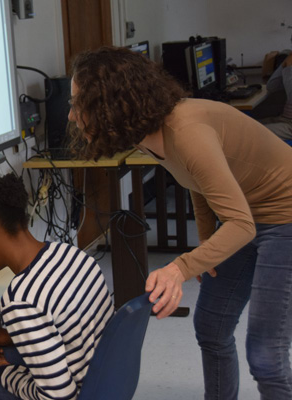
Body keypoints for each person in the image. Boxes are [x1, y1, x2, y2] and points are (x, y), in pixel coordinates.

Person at [67, 46, 292, 399]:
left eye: (77, 104)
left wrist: (180, 267)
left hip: (285, 219)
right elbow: (198, 183)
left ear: (109, 102)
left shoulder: (186, 131)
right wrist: (206, 245)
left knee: (265, 354)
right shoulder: (148, 137)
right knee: (211, 328)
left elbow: (241, 225)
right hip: (246, 215)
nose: (71, 116)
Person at [0, 159, 114, 400]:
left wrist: (5, 372)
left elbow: (57, 397)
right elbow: (70, 330)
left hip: (74, 393)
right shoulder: (71, 254)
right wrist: (12, 337)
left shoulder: (22, 300)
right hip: (98, 382)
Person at [262, 53, 292, 141]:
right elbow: (272, 86)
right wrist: (285, 64)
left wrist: (289, 67)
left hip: (290, 126)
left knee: (249, 133)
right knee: (244, 125)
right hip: (285, 119)